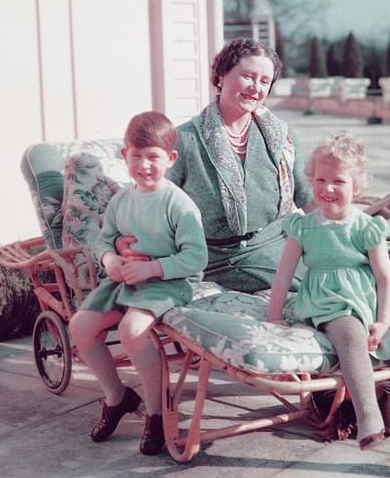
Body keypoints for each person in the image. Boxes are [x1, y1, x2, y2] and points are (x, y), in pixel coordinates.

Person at [267, 132, 390, 478]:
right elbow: (283, 274)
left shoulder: (367, 227)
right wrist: (274, 315)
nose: (327, 188)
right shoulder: (303, 227)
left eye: (338, 181)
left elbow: (384, 279)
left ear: (356, 186)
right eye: (320, 180)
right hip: (332, 299)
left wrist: (382, 322)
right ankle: (369, 418)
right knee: (350, 334)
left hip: (377, 299)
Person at [69, 111, 207, 455]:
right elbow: (104, 240)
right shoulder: (121, 201)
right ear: (124, 156)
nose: (144, 165)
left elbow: (196, 258)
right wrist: (110, 259)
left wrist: (153, 269)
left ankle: (157, 411)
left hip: (168, 282)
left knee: (132, 330)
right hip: (125, 280)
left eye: (153, 157)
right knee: (81, 326)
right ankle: (117, 397)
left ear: (170, 159)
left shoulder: (179, 205)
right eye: (136, 156)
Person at [156, 37, 313, 292]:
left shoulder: (282, 136)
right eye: (248, 76)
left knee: (352, 278)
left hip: (280, 244)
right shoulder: (183, 141)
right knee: (320, 291)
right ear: (221, 76)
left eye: (264, 81)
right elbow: (153, 207)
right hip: (219, 260)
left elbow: (310, 200)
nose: (256, 87)